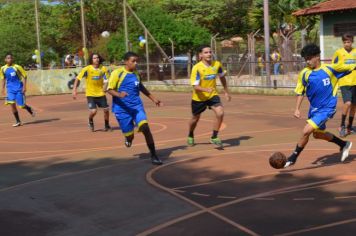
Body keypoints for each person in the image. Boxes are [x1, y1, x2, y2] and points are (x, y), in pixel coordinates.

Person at [284, 43, 356, 168]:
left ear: (317, 56)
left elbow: (351, 66)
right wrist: (296, 109)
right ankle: (343, 144)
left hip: (327, 108)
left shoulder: (330, 69)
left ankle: (293, 157)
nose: (307, 61)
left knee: (306, 131)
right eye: (305, 58)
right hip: (314, 110)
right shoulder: (304, 73)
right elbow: (300, 91)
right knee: (317, 134)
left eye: (309, 58)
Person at [107, 52, 163, 165]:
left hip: (136, 107)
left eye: (137, 61)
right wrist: (119, 94)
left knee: (146, 128)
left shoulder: (136, 74)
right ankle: (128, 138)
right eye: (133, 61)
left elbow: (141, 87)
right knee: (130, 135)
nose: (136, 63)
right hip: (121, 109)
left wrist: (153, 98)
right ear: (126, 61)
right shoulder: (117, 73)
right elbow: (109, 89)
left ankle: (153, 154)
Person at [187, 45, 231, 147]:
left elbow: (222, 77)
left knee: (220, 113)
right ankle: (190, 134)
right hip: (199, 97)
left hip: (212, 95)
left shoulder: (217, 64)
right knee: (195, 118)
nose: (209, 54)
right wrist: (205, 89)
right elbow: (195, 86)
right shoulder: (197, 68)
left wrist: (226, 91)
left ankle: (214, 137)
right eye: (206, 52)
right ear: (201, 55)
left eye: (210, 52)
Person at [72, 53, 112, 132]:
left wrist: (106, 86)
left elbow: (108, 80)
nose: (96, 59)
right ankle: (90, 120)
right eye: (94, 58)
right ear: (91, 60)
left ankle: (106, 125)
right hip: (90, 94)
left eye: (97, 57)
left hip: (101, 93)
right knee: (94, 111)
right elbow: (77, 79)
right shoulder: (87, 69)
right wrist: (74, 90)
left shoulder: (103, 69)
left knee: (106, 110)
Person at [0, 53, 35, 127]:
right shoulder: (3, 68)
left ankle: (29, 108)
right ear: (5, 59)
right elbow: (3, 79)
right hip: (10, 89)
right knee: (12, 104)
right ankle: (18, 121)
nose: (10, 59)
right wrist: (2, 89)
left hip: (19, 88)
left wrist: (24, 87)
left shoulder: (17, 67)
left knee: (21, 106)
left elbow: (25, 76)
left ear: (13, 59)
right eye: (8, 58)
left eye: (11, 58)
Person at [332, 33, 356, 137]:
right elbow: (334, 66)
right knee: (348, 103)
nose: (346, 44)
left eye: (348, 42)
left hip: (355, 82)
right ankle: (341, 125)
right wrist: (349, 67)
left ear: (352, 42)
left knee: (354, 106)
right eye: (345, 42)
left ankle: (349, 127)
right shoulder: (338, 53)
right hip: (344, 82)